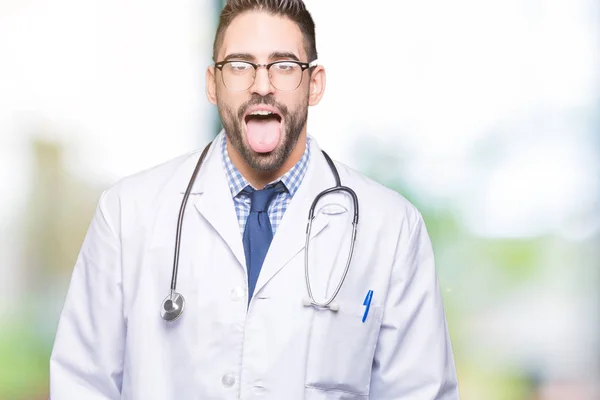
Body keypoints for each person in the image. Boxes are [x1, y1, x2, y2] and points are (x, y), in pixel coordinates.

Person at [49, 0, 459, 398]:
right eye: (241, 65)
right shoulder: (127, 214)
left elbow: (418, 391)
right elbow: (80, 384)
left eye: (283, 66)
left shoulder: (391, 228)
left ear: (314, 84)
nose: (262, 86)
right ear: (213, 83)